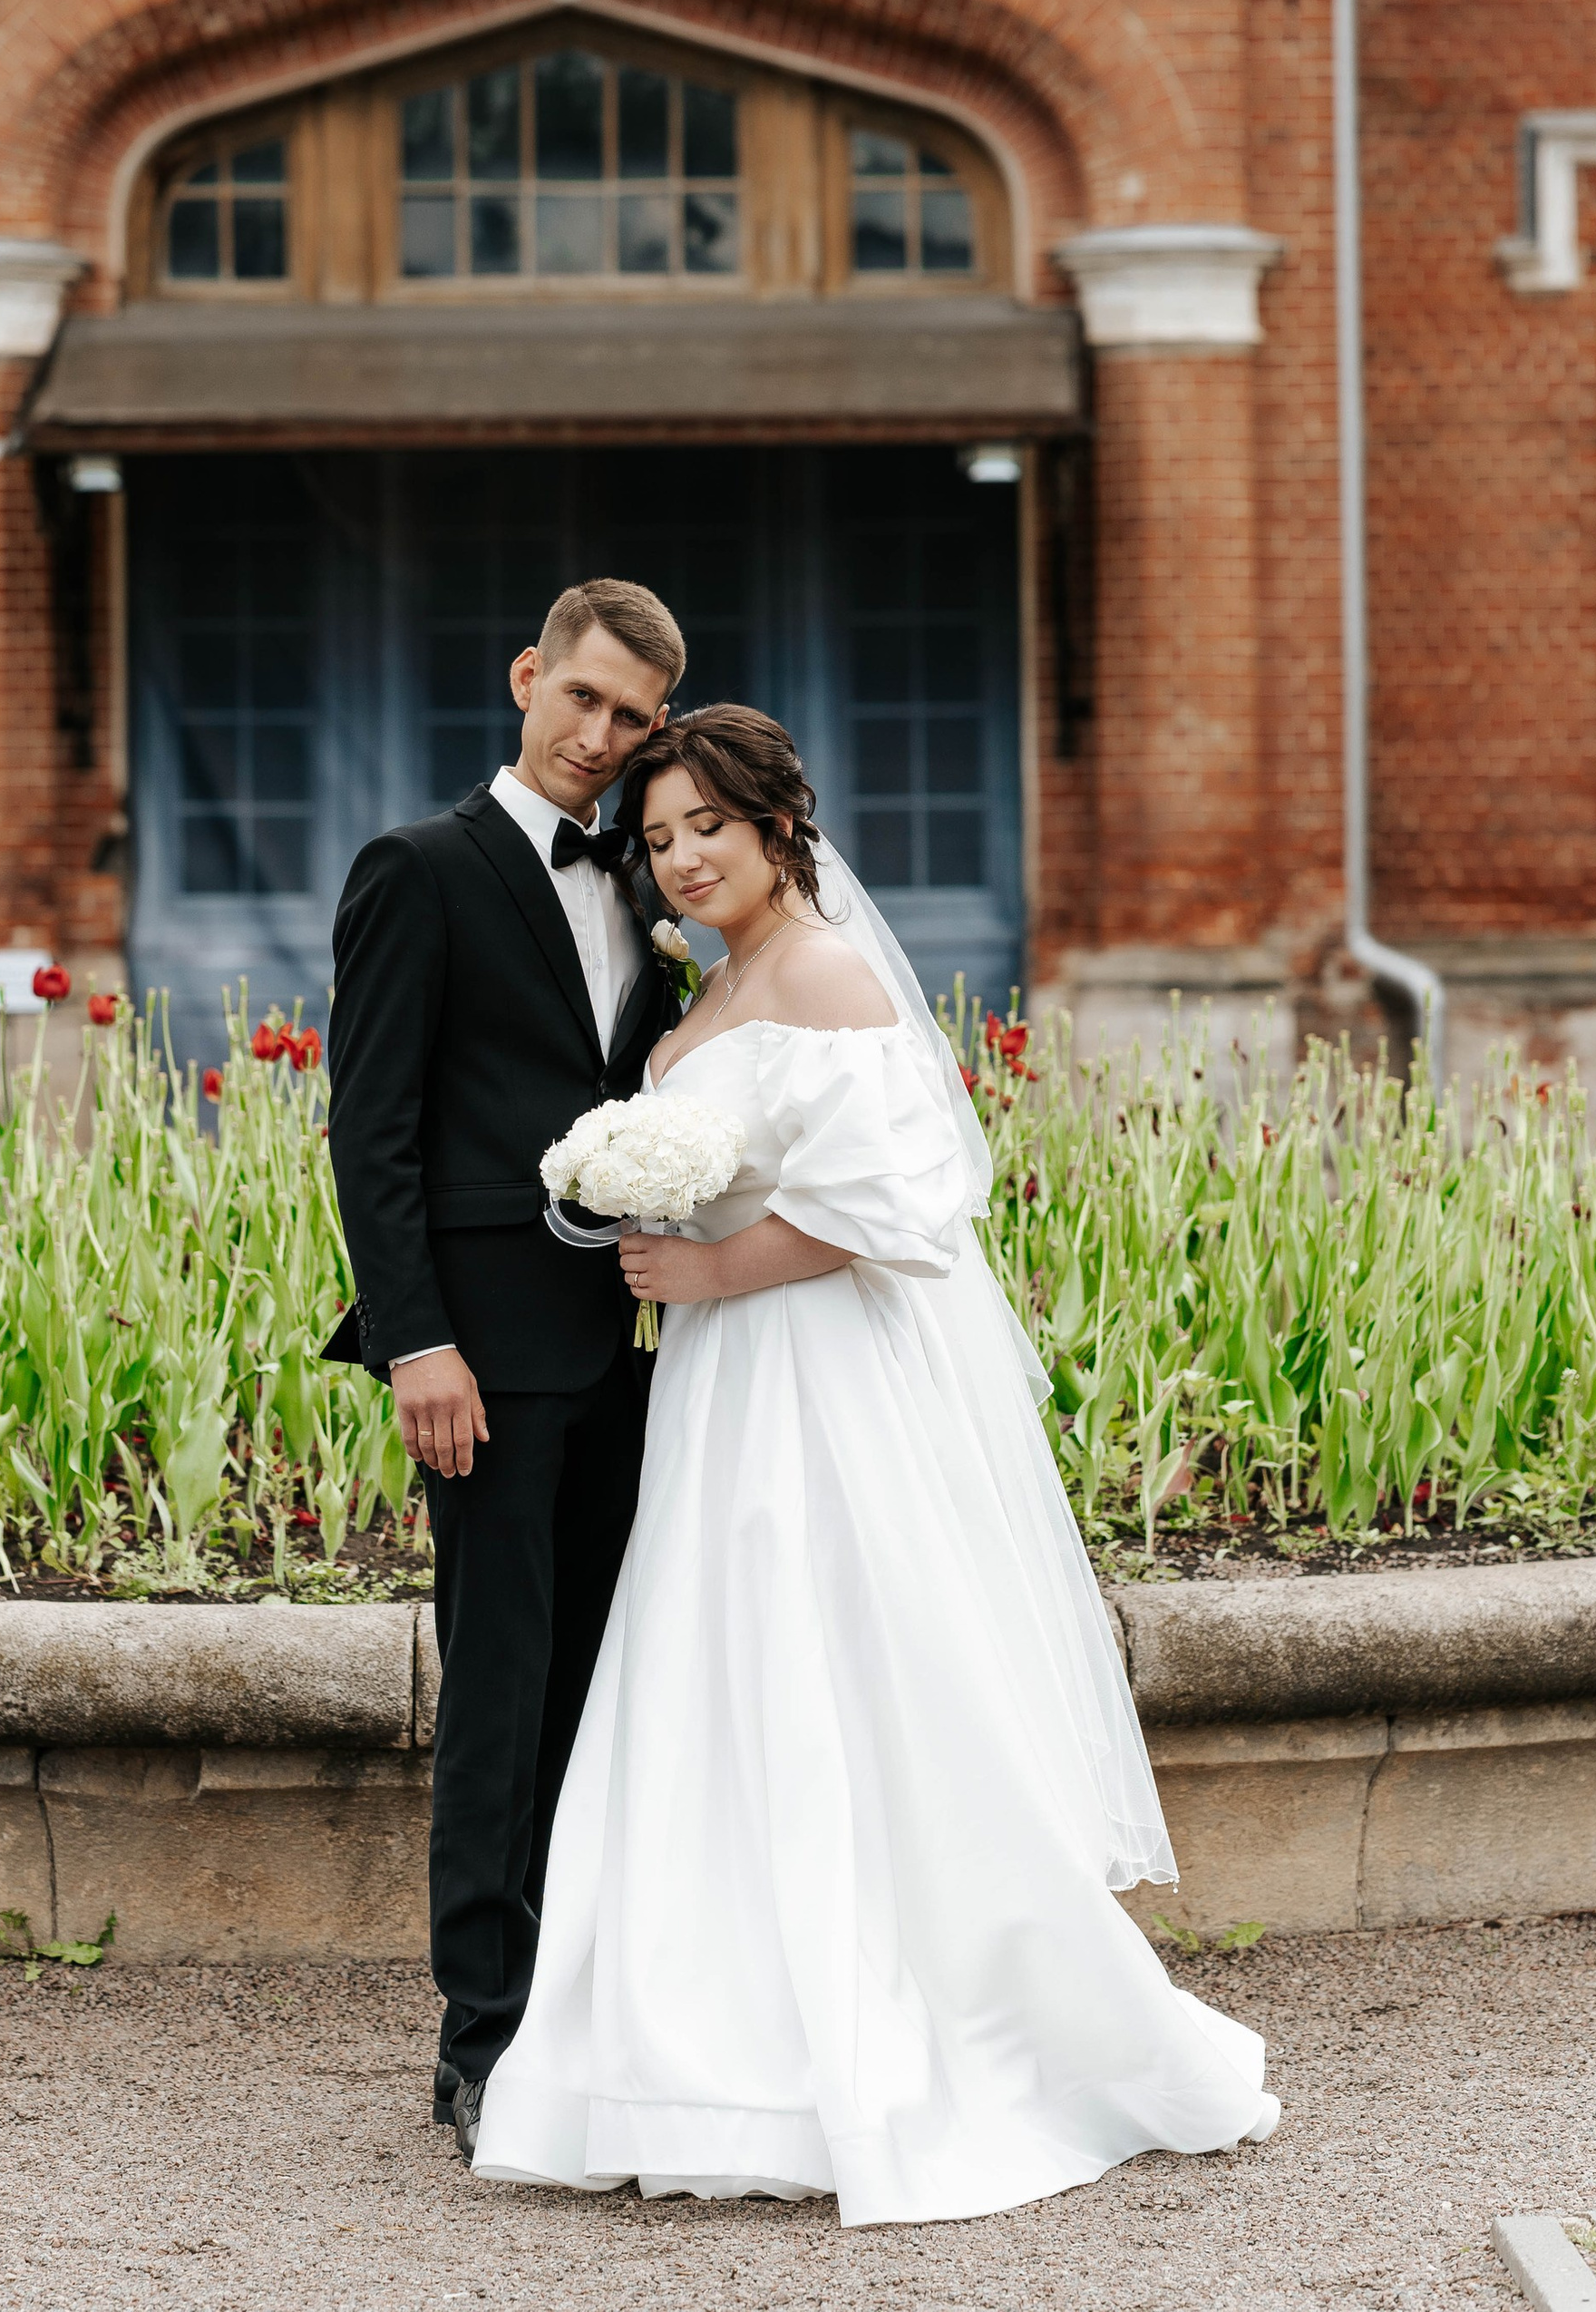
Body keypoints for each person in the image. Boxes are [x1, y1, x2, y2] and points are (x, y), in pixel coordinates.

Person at [471, 703, 1281, 2229]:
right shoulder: (708, 991)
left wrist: (710, 1276)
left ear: (779, 824)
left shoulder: (828, 973)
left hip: (811, 1378)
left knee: (841, 1670)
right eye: (656, 841)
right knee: (717, 1679)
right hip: (722, 1387)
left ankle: (919, 2045)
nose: (682, 859)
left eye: (707, 825)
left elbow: (901, 1205)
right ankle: (703, 2047)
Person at [324, 578, 687, 2161]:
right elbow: (371, 1128)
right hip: (479, 1363)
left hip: (630, 1357)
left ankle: (599, 2008)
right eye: (583, 702)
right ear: (528, 675)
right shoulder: (419, 870)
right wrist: (416, 1340)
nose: (599, 742)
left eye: (632, 723)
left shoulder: (650, 884)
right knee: (497, 1699)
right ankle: (484, 2039)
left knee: (605, 1691)